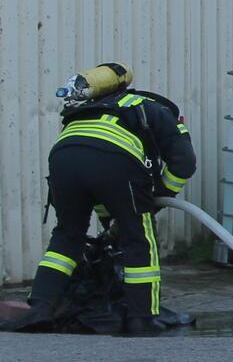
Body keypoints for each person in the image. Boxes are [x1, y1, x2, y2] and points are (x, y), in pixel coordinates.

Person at [6, 63, 196, 335]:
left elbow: (101, 190)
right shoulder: (156, 110)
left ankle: (41, 308)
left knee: (67, 236)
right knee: (139, 238)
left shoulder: (91, 108)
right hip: (113, 160)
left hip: (64, 157)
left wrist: (112, 222)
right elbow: (184, 162)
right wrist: (159, 197)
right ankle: (142, 317)